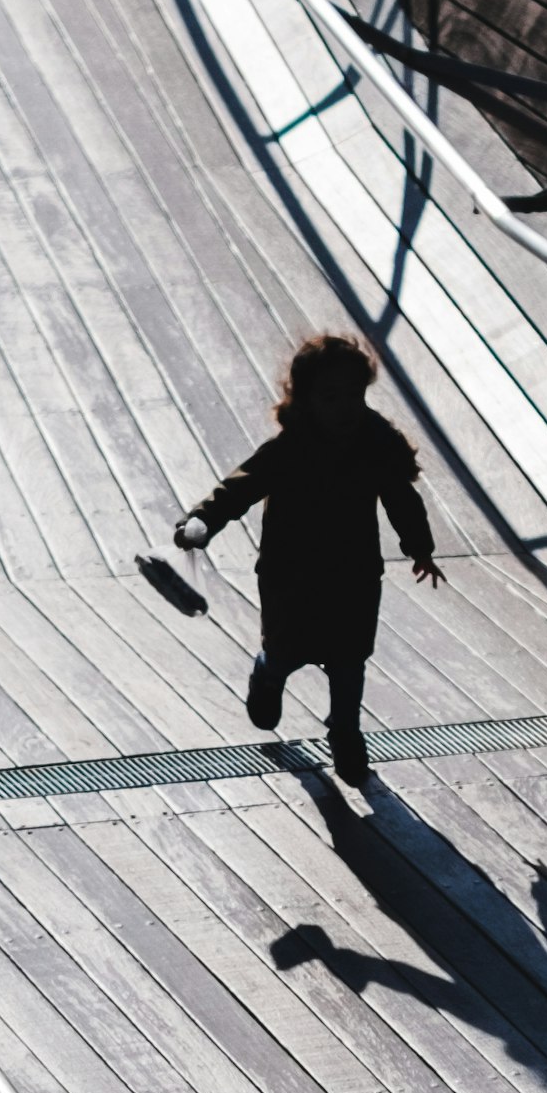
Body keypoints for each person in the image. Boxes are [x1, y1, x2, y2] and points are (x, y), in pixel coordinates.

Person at [175, 333, 440, 789]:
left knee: (349, 658)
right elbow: (239, 488)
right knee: (286, 648)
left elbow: (400, 496)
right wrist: (202, 520)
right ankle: (267, 673)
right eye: (331, 397)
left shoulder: (375, 444)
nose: (345, 407)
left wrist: (419, 547)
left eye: (354, 395)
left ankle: (346, 733)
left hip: (353, 574)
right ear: (307, 400)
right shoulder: (290, 448)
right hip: (290, 574)